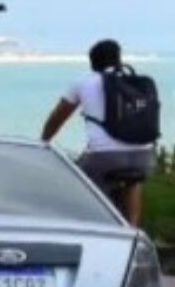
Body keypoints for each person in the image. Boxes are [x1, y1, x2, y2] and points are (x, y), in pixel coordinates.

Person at [41, 39, 156, 226]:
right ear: (119, 59)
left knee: (76, 182)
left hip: (104, 158)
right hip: (144, 157)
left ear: (92, 62)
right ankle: (131, 229)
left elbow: (57, 118)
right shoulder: (136, 82)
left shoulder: (83, 82)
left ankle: (93, 225)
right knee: (133, 182)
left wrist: (44, 140)